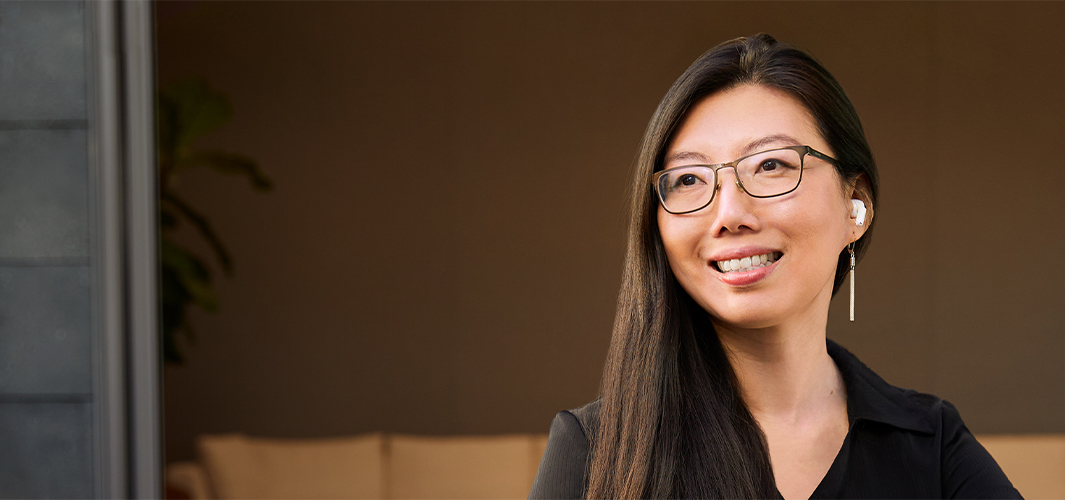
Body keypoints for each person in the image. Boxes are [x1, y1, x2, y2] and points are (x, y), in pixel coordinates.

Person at [528, 34, 1021, 499]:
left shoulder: (929, 446)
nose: (728, 215)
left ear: (855, 205)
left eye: (770, 166)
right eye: (688, 179)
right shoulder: (596, 452)